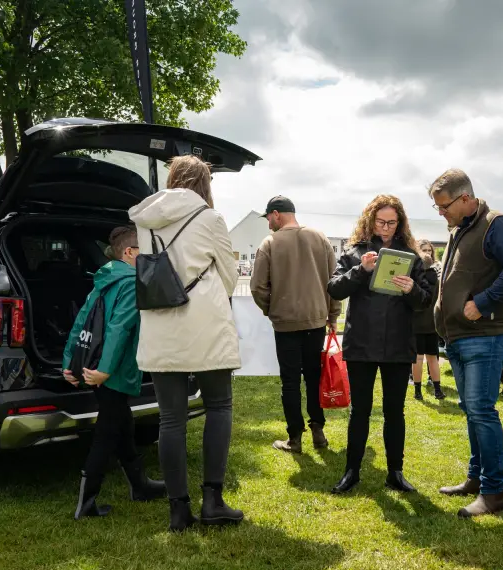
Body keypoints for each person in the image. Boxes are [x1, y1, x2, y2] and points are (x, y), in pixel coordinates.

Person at [129, 155, 243, 532]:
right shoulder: (209, 219)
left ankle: (179, 509)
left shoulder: (145, 219)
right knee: (219, 406)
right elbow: (228, 276)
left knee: (170, 419)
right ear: (205, 184)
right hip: (204, 324)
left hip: (160, 323)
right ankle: (213, 500)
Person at [429, 168, 503, 518]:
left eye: (444, 206)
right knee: (472, 411)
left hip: (485, 335)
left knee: (482, 411)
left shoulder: (496, 224)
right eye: (437, 208)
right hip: (459, 337)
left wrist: (482, 302)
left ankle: (494, 492)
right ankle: (476, 479)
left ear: (466, 198)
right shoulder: (461, 228)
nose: (441, 213)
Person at [327, 194, 432, 495]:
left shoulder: (411, 255)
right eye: (381, 222)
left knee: (394, 411)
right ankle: (352, 470)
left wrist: (412, 289)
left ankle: (395, 472)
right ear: (370, 220)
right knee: (360, 411)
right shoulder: (355, 252)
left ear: (400, 224)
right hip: (362, 342)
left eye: (392, 223)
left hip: (398, 344)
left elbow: (425, 301)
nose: (385, 228)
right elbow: (334, 288)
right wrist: (360, 270)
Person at [63, 226, 166, 520]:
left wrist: (69, 360)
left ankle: (140, 486)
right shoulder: (131, 283)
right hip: (113, 370)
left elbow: (82, 319)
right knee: (108, 431)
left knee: (123, 425)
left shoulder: (104, 280)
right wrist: (106, 371)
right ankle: (86, 503)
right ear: (130, 252)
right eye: (143, 251)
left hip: (95, 366)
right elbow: (119, 328)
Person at [250, 195, 341, 454]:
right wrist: (333, 315)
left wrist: (271, 308)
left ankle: (295, 438)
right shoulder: (320, 238)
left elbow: (257, 287)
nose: (268, 222)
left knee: (289, 381)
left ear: (277, 214)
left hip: (285, 323)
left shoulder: (269, 243)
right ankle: (318, 431)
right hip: (316, 320)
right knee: (314, 378)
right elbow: (334, 281)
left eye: (268, 217)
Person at [412, 240, 445, 401]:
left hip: (417, 323)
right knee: (433, 358)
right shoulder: (438, 279)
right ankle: (438, 389)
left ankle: (417, 391)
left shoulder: (415, 279)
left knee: (418, 358)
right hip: (432, 323)